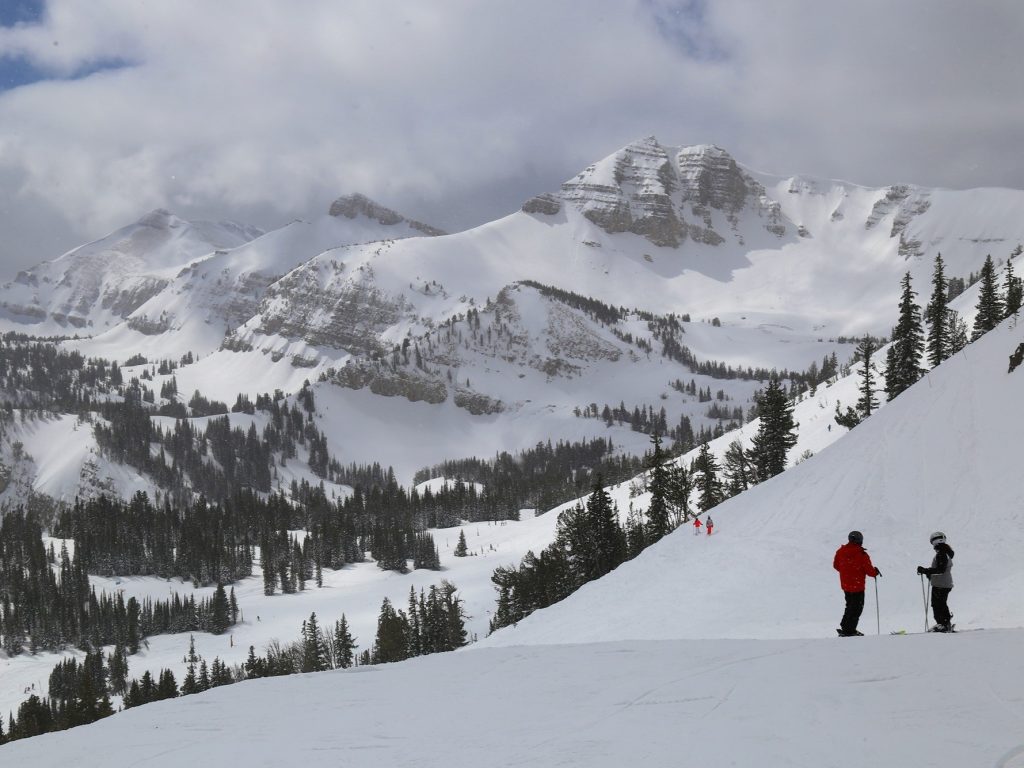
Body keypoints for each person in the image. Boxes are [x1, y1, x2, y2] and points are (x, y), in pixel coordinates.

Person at [833, 530, 881, 636]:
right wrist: (875, 572)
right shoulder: (861, 554)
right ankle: (849, 630)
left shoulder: (840, 551)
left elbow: (836, 566)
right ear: (860, 541)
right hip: (857, 586)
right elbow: (869, 571)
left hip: (846, 585)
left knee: (849, 605)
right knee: (856, 608)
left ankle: (845, 626)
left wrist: (847, 572)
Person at [917, 531, 955, 632]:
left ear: (934, 542)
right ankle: (945, 623)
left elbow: (940, 569)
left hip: (941, 584)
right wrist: (929, 573)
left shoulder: (941, 553)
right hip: (943, 583)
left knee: (938, 604)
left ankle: (943, 624)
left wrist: (926, 571)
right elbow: (940, 569)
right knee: (940, 603)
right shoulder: (944, 552)